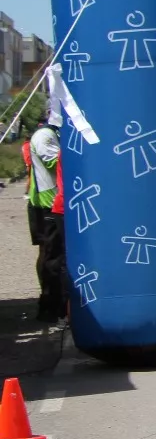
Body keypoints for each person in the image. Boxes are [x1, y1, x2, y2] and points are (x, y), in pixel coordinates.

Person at [23, 109, 67, 325]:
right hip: (46, 203)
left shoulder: (53, 134)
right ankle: (49, 305)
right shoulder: (45, 135)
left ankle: (54, 303)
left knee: (54, 254)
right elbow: (55, 162)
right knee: (51, 255)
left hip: (52, 201)